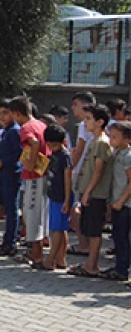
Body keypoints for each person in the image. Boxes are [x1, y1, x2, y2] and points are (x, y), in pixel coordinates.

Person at [69, 104, 111, 277]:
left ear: (100, 122)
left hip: (96, 193)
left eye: (89, 119)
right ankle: (89, 263)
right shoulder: (94, 140)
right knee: (89, 227)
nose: (85, 122)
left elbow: (98, 171)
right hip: (89, 191)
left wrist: (87, 192)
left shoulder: (102, 142)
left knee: (94, 231)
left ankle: (92, 265)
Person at [11, 96, 49, 265]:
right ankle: (36, 250)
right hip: (44, 173)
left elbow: (33, 143)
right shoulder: (41, 124)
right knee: (37, 212)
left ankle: (37, 253)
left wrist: (31, 164)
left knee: (31, 212)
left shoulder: (26, 127)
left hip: (34, 175)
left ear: (17, 113)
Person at [39, 125, 72, 271]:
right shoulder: (53, 155)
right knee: (60, 228)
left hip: (61, 197)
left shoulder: (65, 156)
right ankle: (61, 258)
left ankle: (51, 259)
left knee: (56, 230)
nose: (52, 147)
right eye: (49, 144)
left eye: (55, 144)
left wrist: (66, 199)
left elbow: (67, 178)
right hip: (53, 195)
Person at [102, 121, 131, 281]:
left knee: (122, 237)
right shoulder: (118, 154)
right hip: (116, 202)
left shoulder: (128, 156)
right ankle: (119, 266)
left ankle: (122, 270)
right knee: (117, 236)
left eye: (115, 137)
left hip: (125, 204)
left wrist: (120, 200)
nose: (111, 140)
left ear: (127, 139)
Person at [0, 99, 22, 255]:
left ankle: (10, 242)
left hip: (11, 173)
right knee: (6, 207)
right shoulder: (5, 130)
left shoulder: (14, 131)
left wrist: (2, 161)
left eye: (6, 113)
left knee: (11, 209)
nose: (2, 117)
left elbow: (19, 153)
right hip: (4, 174)